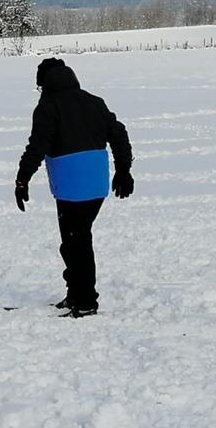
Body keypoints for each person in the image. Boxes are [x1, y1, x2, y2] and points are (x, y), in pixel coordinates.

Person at [14, 57, 133, 319]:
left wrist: (22, 179)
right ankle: (76, 295)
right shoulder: (94, 101)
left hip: (70, 185)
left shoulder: (48, 106)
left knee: (76, 243)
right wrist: (124, 169)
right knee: (75, 241)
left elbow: (38, 145)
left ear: (44, 84)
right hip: (96, 183)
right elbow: (118, 132)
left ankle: (85, 301)